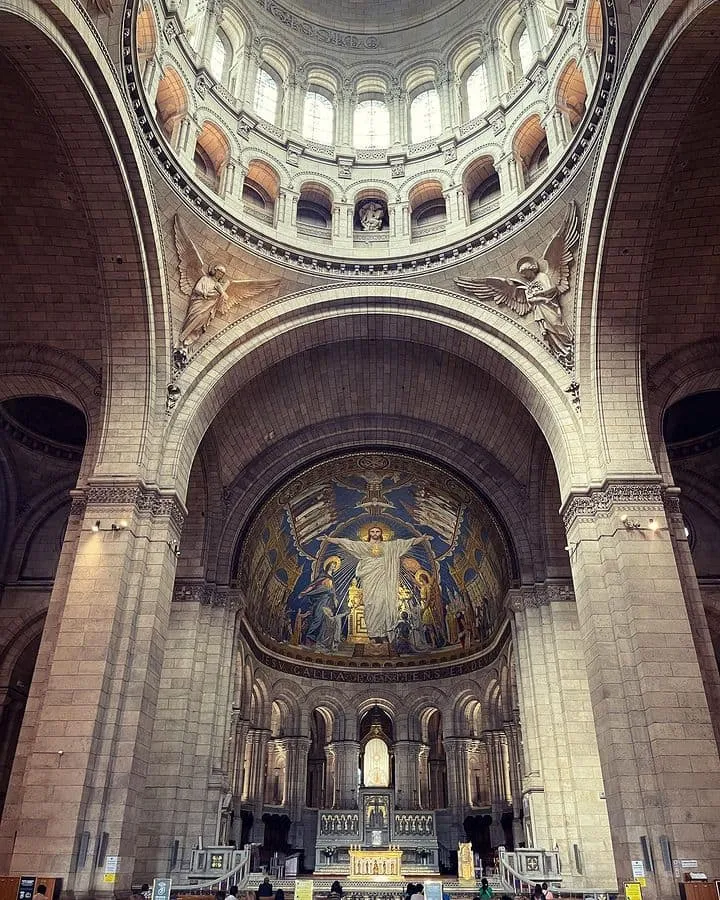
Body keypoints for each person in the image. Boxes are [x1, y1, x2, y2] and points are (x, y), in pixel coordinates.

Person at [327, 527, 424, 641]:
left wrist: (421, 538)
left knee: (383, 603)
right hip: (369, 579)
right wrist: (329, 539)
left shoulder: (389, 546)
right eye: (372, 531)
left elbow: (407, 543)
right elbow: (347, 543)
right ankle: (373, 633)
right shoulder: (363, 546)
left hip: (383, 579)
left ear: (381, 533)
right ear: (369, 533)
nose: (375, 533)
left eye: (377, 531)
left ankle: (383, 633)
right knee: (371, 604)